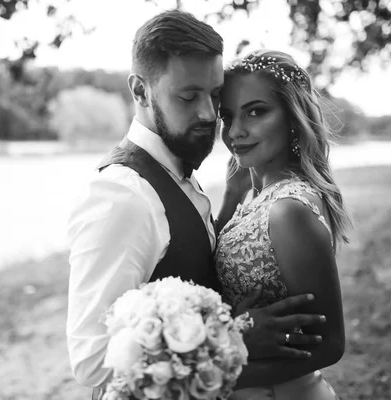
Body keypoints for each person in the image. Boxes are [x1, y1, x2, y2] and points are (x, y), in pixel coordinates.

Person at [66, 11, 326, 398]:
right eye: (188, 96)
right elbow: (93, 360)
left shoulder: (177, 169)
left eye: (215, 96)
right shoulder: (123, 198)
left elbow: (194, 261)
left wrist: (233, 199)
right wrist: (232, 340)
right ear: (140, 91)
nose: (208, 114)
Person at [215, 49, 354, 399]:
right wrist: (232, 197)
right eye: (227, 116)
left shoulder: (288, 209)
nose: (235, 132)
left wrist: (219, 376)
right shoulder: (256, 197)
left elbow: (330, 344)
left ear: (292, 117)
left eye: (256, 112)